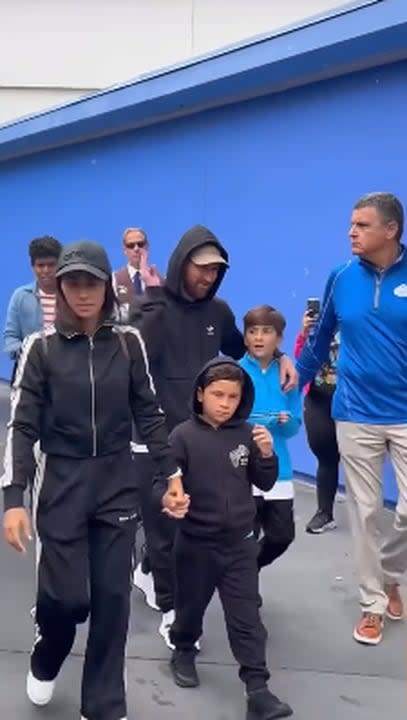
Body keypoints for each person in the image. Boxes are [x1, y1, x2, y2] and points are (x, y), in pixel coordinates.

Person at [1, 240, 187, 720]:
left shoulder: (128, 343)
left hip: (115, 481)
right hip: (61, 481)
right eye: (73, 282)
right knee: (67, 601)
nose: (83, 292)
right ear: (60, 288)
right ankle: (48, 652)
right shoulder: (41, 349)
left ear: (107, 287)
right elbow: (21, 425)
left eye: (92, 282)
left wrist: (172, 472)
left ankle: (103, 706)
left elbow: (149, 412)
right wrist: (13, 498)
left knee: (112, 599)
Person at [130, 224, 298, 647]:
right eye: (200, 269)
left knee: (182, 525)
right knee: (165, 521)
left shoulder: (218, 313)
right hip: (152, 436)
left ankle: (151, 569)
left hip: (200, 437)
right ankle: (172, 609)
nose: (207, 277)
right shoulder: (151, 308)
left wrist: (281, 357)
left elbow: (245, 350)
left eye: (215, 272)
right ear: (182, 263)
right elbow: (132, 364)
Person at [296, 192, 407, 646]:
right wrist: (293, 381)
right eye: (351, 224)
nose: (351, 232)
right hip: (355, 412)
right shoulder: (340, 277)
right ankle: (372, 603)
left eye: (362, 225)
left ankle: (391, 573)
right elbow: (321, 338)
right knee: (364, 512)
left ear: (391, 230)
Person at [158, 358, 293, 720]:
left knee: (247, 618)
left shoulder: (248, 435)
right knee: (190, 607)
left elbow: (264, 483)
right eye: (217, 394)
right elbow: (167, 481)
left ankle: (257, 690)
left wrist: (267, 454)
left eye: (233, 397)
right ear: (200, 394)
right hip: (196, 543)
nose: (225, 403)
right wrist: (172, 498)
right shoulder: (182, 436)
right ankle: (183, 647)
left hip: (240, 543)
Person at [240, 306, 301, 570]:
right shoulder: (236, 371)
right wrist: (263, 419)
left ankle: (245, 570)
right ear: (245, 338)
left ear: (279, 339)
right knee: (246, 536)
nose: (259, 338)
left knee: (282, 536)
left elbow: (295, 425)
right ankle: (245, 589)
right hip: (244, 467)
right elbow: (231, 417)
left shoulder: (288, 374)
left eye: (267, 332)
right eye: (252, 331)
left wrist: (286, 421)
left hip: (280, 469)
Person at [294, 311, 340, 533]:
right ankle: (325, 513)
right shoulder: (319, 329)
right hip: (318, 399)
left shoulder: (357, 328)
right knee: (325, 456)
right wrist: (305, 333)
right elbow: (301, 358)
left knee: (362, 459)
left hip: (352, 401)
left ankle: (367, 517)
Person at [3, 235, 62, 377]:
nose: (46, 270)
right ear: (33, 267)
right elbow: (10, 338)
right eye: (40, 265)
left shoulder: (71, 295)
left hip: (66, 373)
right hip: (28, 373)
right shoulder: (20, 296)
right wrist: (31, 354)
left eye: (51, 264)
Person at [113, 227, 162, 322]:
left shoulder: (160, 281)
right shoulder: (115, 280)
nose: (136, 249)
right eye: (131, 245)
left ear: (147, 246)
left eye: (140, 244)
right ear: (124, 250)